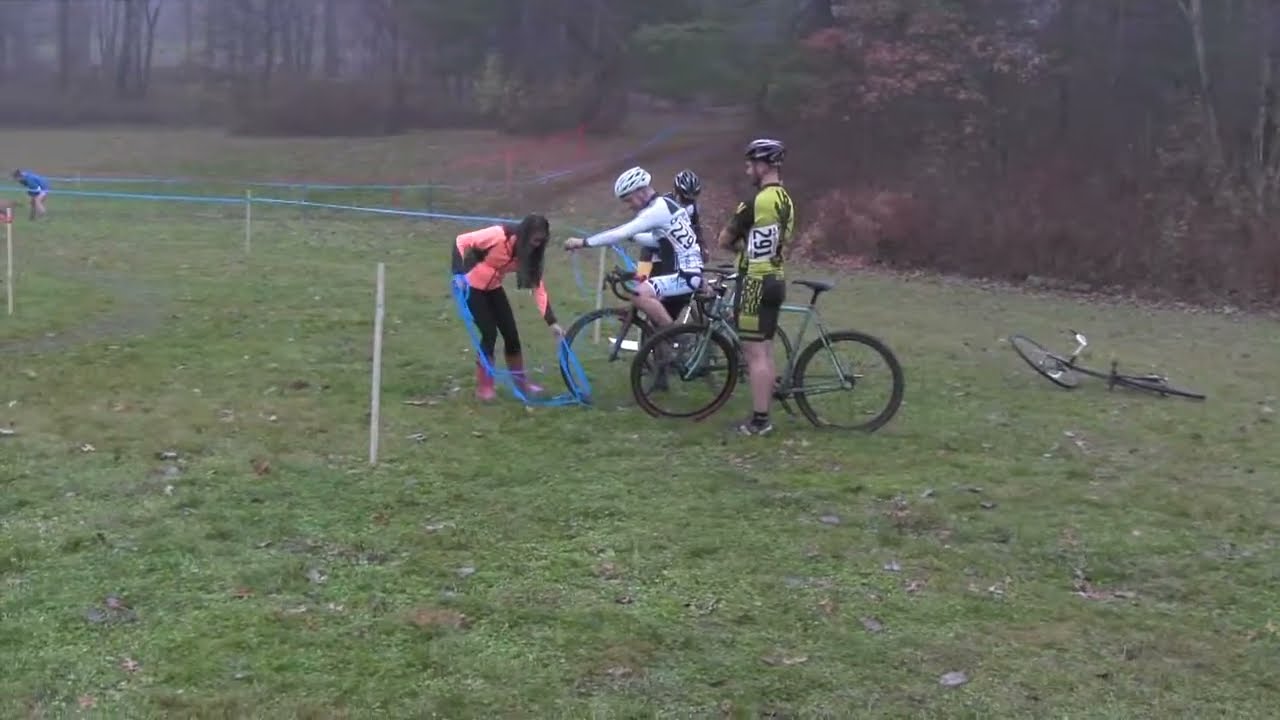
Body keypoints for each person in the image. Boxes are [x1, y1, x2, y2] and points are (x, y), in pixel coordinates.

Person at [717, 139, 795, 436]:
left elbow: (725, 239)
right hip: (776, 278)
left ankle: (760, 421)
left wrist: (741, 248)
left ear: (764, 165)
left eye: (751, 164)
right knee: (766, 349)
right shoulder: (786, 200)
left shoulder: (754, 202)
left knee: (755, 354)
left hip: (754, 282)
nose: (747, 169)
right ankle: (763, 413)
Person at [563, 167, 704, 331]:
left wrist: (582, 242)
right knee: (652, 322)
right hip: (684, 272)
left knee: (639, 294)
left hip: (684, 275)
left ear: (641, 192)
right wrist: (633, 238)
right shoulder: (666, 204)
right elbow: (659, 242)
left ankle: (674, 337)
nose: (629, 206)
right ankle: (666, 342)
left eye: (629, 200)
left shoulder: (656, 210)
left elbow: (621, 232)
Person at [451, 214, 564, 401]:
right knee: (489, 333)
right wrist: (458, 274)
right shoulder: (497, 235)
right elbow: (461, 241)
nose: (537, 245)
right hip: (470, 287)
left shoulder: (529, 254)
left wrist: (552, 322)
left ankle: (522, 384)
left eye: (541, 241)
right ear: (525, 234)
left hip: (494, 288)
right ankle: (485, 387)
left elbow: (538, 288)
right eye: (535, 240)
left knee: (511, 335)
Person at [635, 169, 708, 321]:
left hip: (677, 257)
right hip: (655, 253)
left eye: (691, 199)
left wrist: (702, 247)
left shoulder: (693, 207)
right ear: (676, 191)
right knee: (645, 290)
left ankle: (665, 327)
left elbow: (696, 228)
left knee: (670, 297)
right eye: (685, 198)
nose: (688, 202)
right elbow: (649, 238)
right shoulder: (662, 205)